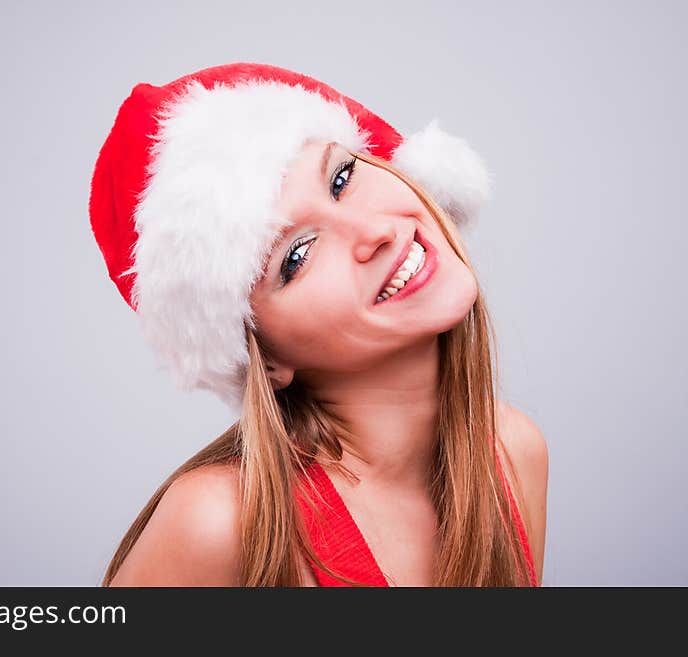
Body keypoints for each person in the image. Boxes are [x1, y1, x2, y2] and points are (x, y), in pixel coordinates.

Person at [88, 62, 548, 587]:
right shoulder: (220, 524)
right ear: (265, 358)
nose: (372, 230)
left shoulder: (512, 452)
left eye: (342, 177)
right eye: (297, 254)